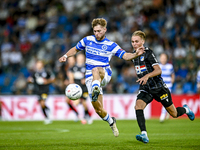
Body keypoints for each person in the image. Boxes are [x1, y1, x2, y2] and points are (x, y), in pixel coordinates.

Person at [59, 18, 145, 137]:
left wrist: (135, 54)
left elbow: (125, 56)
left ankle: (96, 86)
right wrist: (65, 56)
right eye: (95, 31)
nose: (96, 34)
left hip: (104, 73)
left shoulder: (111, 45)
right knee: (99, 110)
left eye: (99, 31)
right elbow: (75, 49)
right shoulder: (87, 40)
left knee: (96, 69)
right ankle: (111, 121)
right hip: (90, 78)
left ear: (105, 30)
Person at [130, 30, 195, 143]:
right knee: (138, 106)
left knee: (174, 113)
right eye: (132, 41)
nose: (134, 44)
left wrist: (146, 76)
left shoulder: (148, 53)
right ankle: (144, 134)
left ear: (143, 41)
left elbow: (158, 70)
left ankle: (185, 109)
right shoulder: (134, 55)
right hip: (146, 88)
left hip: (159, 88)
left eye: (136, 41)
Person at [67, 52, 93, 124]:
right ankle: (82, 117)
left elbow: (91, 75)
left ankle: (88, 116)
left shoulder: (86, 67)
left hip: (85, 88)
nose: (80, 59)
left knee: (84, 102)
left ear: (84, 59)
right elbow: (70, 75)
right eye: (79, 58)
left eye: (81, 58)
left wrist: (86, 79)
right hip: (77, 88)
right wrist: (71, 82)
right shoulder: (73, 67)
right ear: (76, 59)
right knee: (76, 102)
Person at [27, 60, 55, 124]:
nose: (38, 65)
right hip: (38, 90)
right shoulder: (34, 73)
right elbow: (31, 79)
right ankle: (47, 114)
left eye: (39, 64)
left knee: (42, 103)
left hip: (45, 90)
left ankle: (47, 117)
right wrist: (29, 80)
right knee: (41, 105)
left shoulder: (46, 72)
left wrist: (47, 81)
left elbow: (53, 79)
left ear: (42, 65)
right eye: (37, 64)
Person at [159, 53, 175, 122]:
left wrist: (172, 81)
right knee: (164, 100)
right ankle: (169, 111)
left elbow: (172, 75)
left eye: (164, 58)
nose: (163, 59)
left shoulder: (170, 66)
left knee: (164, 99)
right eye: (162, 58)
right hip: (160, 86)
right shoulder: (158, 66)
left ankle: (162, 115)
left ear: (166, 59)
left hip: (168, 85)